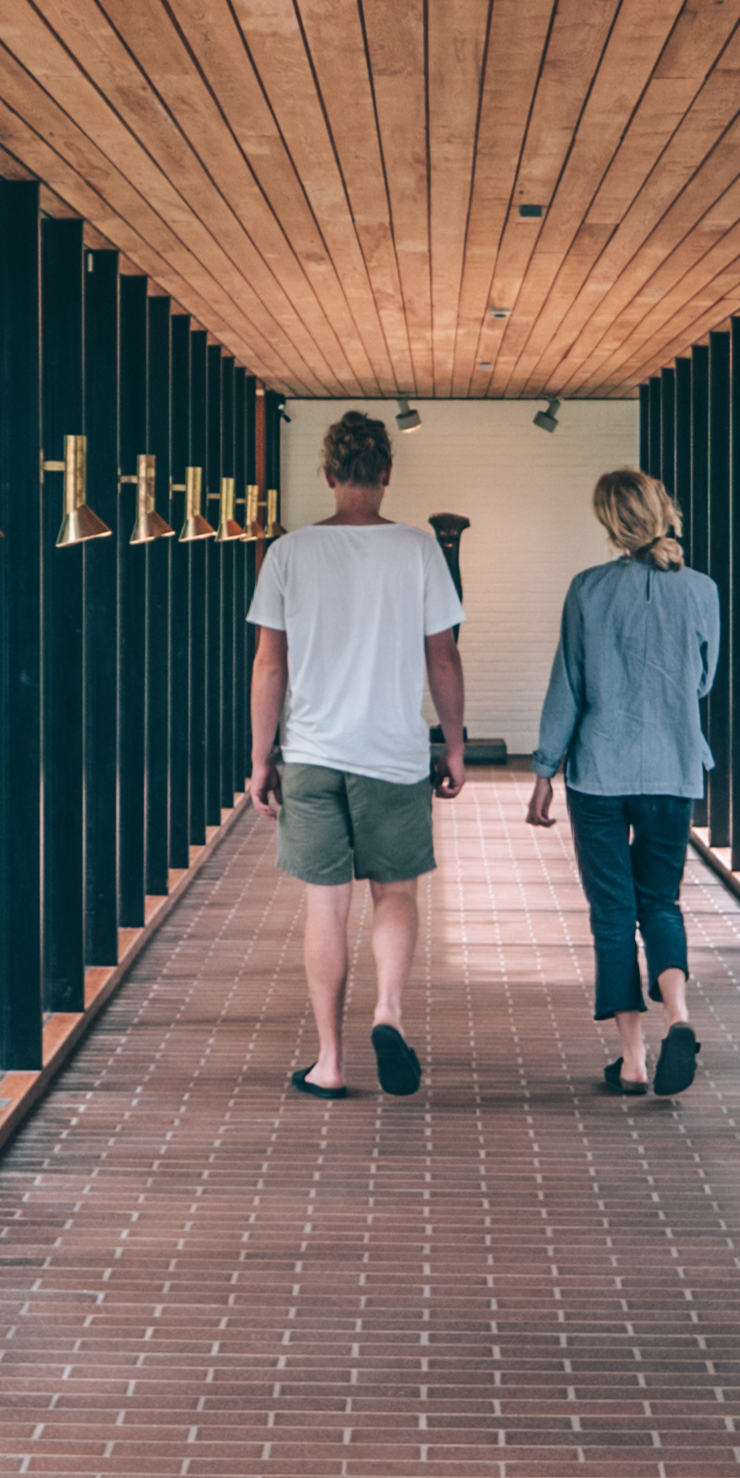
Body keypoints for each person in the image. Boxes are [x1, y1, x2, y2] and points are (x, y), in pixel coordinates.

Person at [243, 409, 467, 1097]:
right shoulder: (419, 550)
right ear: (387, 474)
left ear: (329, 473)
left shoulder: (288, 553)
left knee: (326, 903)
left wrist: (261, 758)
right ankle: (388, 1012)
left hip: (312, 753)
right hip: (393, 753)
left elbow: (269, 667)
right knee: (395, 890)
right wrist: (454, 745)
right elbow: (443, 656)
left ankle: (331, 1062)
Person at [526, 468, 720, 1096]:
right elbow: (702, 680)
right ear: (664, 512)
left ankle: (634, 1061)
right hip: (673, 768)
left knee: (613, 913)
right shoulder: (702, 591)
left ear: (610, 523)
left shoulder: (586, 590)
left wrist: (543, 770)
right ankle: (681, 1018)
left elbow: (569, 687)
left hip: (600, 774)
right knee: (659, 902)